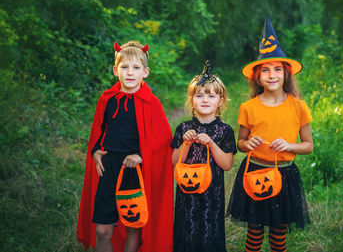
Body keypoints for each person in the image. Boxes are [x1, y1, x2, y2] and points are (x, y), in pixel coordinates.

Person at [226, 18, 314, 252]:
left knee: (278, 233)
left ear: (286, 74)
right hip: (255, 170)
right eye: (265, 70)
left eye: (277, 69)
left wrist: (289, 146)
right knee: (254, 233)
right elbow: (241, 143)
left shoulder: (298, 107)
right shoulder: (249, 107)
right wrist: (247, 143)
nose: (271, 75)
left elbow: (308, 146)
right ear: (257, 76)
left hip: (285, 175)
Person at [77, 41, 174, 252]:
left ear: (145, 72)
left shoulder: (150, 102)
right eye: (125, 67)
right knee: (103, 230)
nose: (130, 73)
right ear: (115, 70)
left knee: (133, 228)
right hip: (108, 167)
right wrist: (95, 152)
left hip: (133, 171)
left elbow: (163, 140)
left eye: (136, 68)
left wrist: (140, 155)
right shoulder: (107, 99)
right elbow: (98, 131)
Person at [171, 61, 237, 252]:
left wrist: (211, 143)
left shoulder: (225, 130)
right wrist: (186, 143)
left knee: (209, 234)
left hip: (212, 196)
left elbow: (226, 165)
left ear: (220, 100)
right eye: (199, 95)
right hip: (187, 194)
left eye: (211, 95)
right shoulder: (183, 128)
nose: (205, 99)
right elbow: (174, 162)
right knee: (188, 233)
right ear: (191, 100)